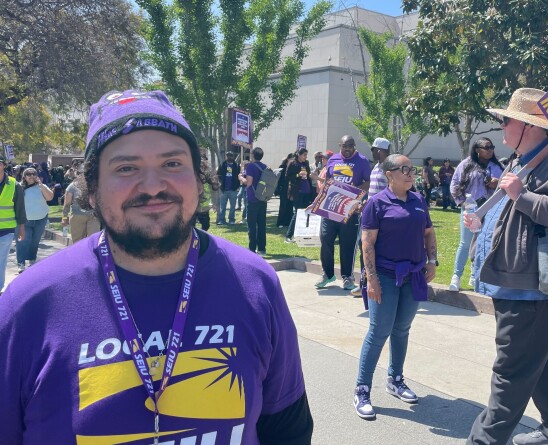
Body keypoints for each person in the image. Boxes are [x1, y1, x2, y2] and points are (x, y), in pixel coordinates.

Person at [0, 89, 313, 444]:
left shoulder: (256, 283)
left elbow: (288, 430)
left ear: (198, 178)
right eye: (126, 168)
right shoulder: (27, 305)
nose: (152, 187)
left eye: (172, 164)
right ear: (92, 190)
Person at [465, 88, 548, 445]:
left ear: (526, 126)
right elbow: (512, 210)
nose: (500, 128)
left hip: (532, 288)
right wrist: (482, 221)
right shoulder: (520, 160)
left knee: (511, 372)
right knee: (541, 361)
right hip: (514, 283)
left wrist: (521, 195)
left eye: (505, 120)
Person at [353, 154, 437, 420]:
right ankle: (362, 389)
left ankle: (395, 379)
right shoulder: (376, 204)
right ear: (389, 174)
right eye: (404, 169)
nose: (411, 173)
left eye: (412, 169)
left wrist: (432, 259)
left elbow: (428, 232)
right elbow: (367, 244)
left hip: (413, 275)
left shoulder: (418, 201)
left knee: (402, 329)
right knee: (379, 331)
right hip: (386, 277)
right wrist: (372, 280)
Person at [315, 135, 371, 290]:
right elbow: (328, 180)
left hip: (350, 209)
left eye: (350, 146)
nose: (347, 149)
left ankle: (347, 277)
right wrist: (320, 199)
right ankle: (328, 274)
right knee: (325, 238)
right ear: (339, 145)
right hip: (330, 207)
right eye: (344, 146)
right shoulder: (333, 160)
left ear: (354, 146)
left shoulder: (362, 161)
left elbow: (368, 181)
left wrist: (356, 190)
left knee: (347, 244)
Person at [449, 138, 504, 291]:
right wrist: (463, 203)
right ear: (477, 149)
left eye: (492, 147)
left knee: (484, 242)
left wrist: (497, 183)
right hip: (471, 208)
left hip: (491, 209)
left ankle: (476, 275)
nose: (490, 150)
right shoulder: (466, 165)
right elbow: (454, 185)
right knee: (465, 242)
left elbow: (507, 185)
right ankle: (456, 276)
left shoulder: (498, 166)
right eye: (486, 147)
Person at [350, 137, 391, 297]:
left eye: (374, 150)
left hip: (382, 216)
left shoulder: (389, 168)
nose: (372, 152)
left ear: (379, 150)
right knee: (364, 247)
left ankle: (377, 283)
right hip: (369, 214)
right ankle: (364, 284)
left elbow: (389, 193)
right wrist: (366, 202)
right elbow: (373, 192)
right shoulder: (375, 167)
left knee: (376, 249)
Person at [15, 167, 53, 272]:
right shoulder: (19, 187)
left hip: (40, 218)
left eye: (33, 174)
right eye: (28, 174)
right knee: (23, 241)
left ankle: (32, 260)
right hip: (25, 220)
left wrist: (41, 185)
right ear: (24, 176)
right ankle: (21, 263)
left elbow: (50, 197)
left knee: (35, 241)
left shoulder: (42, 186)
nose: (31, 176)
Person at [0, 156, 26, 291]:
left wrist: (21, 228)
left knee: (1, 260)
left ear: (4, 165)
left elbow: (20, 208)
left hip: (6, 230)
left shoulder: (14, 185)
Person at [63, 169, 101, 243]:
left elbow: (67, 204)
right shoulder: (73, 186)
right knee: (81, 242)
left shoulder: (97, 185)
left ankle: (88, 254)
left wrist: (64, 218)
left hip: (91, 216)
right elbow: (67, 204)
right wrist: (64, 217)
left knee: (90, 242)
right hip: (81, 216)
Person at [285, 148, 313, 242]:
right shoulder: (293, 163)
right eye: (304, 154)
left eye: (306, 155)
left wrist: (309, 175)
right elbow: (287, 177)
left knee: (306, 213)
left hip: (307, 190)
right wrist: (298, 175)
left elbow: (308, 175)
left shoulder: (306, 163)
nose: (306, 156)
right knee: (297, 213)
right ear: (299, 155)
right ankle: (288, 235)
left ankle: (302, 234)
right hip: (297, 191)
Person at [245, 146, 269, 255]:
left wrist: (241, 178)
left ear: (253, 155)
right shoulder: (265, 166)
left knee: (252, 224)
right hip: (263, 198)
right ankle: (262, 248)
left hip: (253, 198)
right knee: (261, 224)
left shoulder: (250, 166)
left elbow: (249, 182)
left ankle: (252, 248)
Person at [216, 151, 240, 225]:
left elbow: (239, 176)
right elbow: (218, 175)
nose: (229, 157)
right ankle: (222, 220)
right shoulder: (222, 165)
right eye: (227, 156)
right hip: (223, 189)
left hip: (233, 190)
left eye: (231, 155)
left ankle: (231, 220)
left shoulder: (236, 166)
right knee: (222, 207)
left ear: (233, 157)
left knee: (232, 207)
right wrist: (220, 184)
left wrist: (236, 187)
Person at [276, 153, 294, 228]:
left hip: (291, 189)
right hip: (283, 189)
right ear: (288, 159)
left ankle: (288, 222)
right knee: (283, 206)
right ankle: (281, 222)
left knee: (290, 206)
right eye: (291, 159)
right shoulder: (282, 168)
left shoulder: (293, 168)